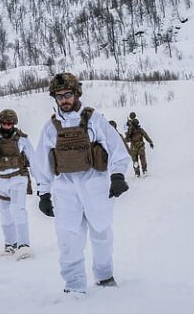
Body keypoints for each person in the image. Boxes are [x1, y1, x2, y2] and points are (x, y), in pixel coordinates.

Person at [35, 73, 131, 295]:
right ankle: (74, 285)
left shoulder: (95, 120)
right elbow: (41, 162)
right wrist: (43, 193)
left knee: (101, 232)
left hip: (95, 184)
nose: (64, 100)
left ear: (76, 93)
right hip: (65, 189)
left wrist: (117, 176)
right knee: (68, 238)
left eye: (68, 94)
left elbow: (117, 149)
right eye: (59, 96)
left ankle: (105, 276)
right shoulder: (50, 128)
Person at [0, 109, 38, 260]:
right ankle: (10, 245)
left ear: (14, 123)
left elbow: (34, 160)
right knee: (5, 214)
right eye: (4, 123)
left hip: (18, 178)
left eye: (9, 123)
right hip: (1, 180)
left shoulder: (21, 139)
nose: (6, 126)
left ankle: (24, 246)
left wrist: (42, 184)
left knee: (18, 210)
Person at [125, 112, 154, 177]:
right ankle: (144, 171)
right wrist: (150, 142)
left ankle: (137, 173)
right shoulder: (139, 129)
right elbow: (146, 136)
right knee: (142, 159)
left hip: (133, 147)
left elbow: (127, 140)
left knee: (135, 161)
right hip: (140, 146)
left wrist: (129, 131)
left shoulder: (130, 128)